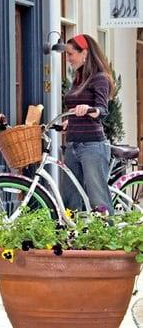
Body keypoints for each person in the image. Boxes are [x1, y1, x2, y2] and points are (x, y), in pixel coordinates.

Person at [61, 33, 115, 214]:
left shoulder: (100, 78)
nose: (68, 59)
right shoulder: (78, 79)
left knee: (98, 200)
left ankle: (110, 236)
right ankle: (72, 238)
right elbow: (75, 109)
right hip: (72, 144)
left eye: (70, 54)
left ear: (84, 53)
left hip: (92, 145)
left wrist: (90, 109)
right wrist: (69, 122)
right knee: (70, 198)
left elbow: (103, 110)